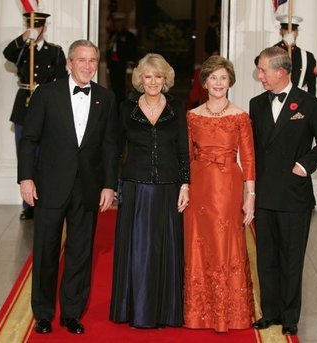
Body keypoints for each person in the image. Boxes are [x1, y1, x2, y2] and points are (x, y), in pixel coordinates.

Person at [18, 40, 118, 335]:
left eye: (92, 61)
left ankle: (72, 313)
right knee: (46, 249)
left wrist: (109, 185)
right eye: (82, 60)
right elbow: (29, 139)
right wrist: (26, 178)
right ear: (69, 63)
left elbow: (111, 146)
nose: (87, 66)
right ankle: (44, 313)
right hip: (49, 185)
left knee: (80, 252)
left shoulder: (106, 98)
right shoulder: (46, 94)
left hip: (87, 186)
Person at [250, 47, 317, 335]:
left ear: (281, 71)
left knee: (291, 259)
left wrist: (304, 164)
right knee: (266, 258)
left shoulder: (309, 104)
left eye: (263, 70)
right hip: (264, 193)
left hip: (293, 195)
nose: (259, 76)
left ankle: (289, 316)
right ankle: (270, 312)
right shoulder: (256, 103)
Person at [110, 53, 190, 328]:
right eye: (148, 76)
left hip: (169, 188)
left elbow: (183, 150)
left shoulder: (177, 108)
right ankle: (134, 309)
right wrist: (112, 184)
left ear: (165, 79)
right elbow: (115, 149)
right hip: (135, 187)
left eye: (158, 76)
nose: (153, 81)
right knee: (138, 250)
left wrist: (185, 184)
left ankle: (166, 311)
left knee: (165, 249)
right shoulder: (125, 108)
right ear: (140, 80)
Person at [184, 55, 256, 332]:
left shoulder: (240, 116)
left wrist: (250, 196)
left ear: (230, 82)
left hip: (228, 186)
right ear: (204, 82)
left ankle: (230, 313)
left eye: (223, 78)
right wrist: (184, 188)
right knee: (198, 243)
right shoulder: (192, 116)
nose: (218, 83)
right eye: (213, 77)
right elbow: (186, 156)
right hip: (199, 184)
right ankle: (198, 312)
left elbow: (248, 158)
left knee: (226, 242)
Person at [3, 12, 67, 220]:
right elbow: (7, 53)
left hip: (46, 107)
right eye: (32, 27)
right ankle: (28, 203)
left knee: (45, 156)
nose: (36, 30)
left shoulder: (56, 52)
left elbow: (60, 82)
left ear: (44, 28)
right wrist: (24, 38)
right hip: (24, 106)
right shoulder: (23, 51)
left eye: (39, 27)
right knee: (26, 155)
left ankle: (44, 198)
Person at [256, 15, 317, 96]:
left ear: (297, 32)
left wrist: (311, 105)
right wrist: (283, 46)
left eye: (293, 29)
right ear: (280, 31)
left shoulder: (307, 56)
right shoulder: (271, 54)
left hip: (299, 100)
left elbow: (311, 85)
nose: (289, 32)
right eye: (286, 29)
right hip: (275, 97)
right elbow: (258, 61)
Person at [106, 12, 137, 103]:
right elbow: (109, 50)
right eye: (115, 22)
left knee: (124, 87)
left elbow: (132, 51)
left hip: (123, 65)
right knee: (114, 87)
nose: (117, 24)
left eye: (119, 22)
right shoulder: (112, 35)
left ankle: (123, 105)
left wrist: (130, 64)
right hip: (113, 65)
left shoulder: (129, 36)